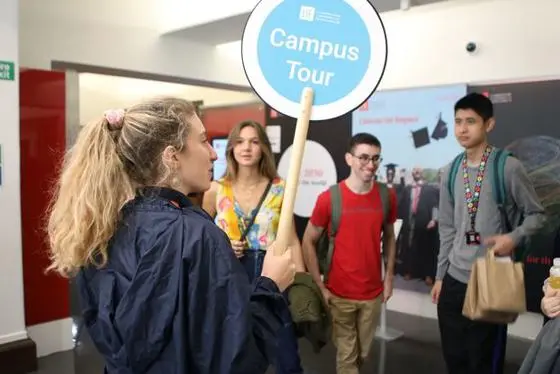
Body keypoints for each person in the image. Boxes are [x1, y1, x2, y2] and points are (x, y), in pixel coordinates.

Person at [46, 97, 297, 374]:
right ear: (172, 156)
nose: (213, 153)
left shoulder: (100, 228)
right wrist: (271, 286)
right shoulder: (196, 235)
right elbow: (235, 359)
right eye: (202, 141)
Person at [431, 93, 546, 374]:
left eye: (471, 121)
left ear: (489, 124)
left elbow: (538, 215)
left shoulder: (507, 166)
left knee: (483, 363)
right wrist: (439, 277)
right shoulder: (450, 171)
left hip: (490, 279)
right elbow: (446, 228)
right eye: (458, 121)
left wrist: (513, 238)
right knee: (454, 360)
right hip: (454, 281)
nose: (462, 129)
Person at [202, 120, 306, 374]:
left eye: (254, 141)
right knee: (234, 349)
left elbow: (291, 238)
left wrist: (302, 283)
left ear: (263, 149)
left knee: (286, 354)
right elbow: (202, 237)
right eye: (240, 141)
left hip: (272, 272)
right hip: (230, 273)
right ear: (231, 148)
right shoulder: (215, 189)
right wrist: (224, 245)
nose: (246, 148)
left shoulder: (280, 188)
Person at [301, 133, 398, 374]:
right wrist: (320, 286)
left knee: (361, 354)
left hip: (372, 294)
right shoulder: (329, 199)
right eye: (363, 157)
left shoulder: (387, 196)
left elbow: (390, 236)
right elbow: (308, 241)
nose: (371, 164)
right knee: (347, 356)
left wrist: (389, 279)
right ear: (349, 159)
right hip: (338, 293)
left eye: (376, 158)